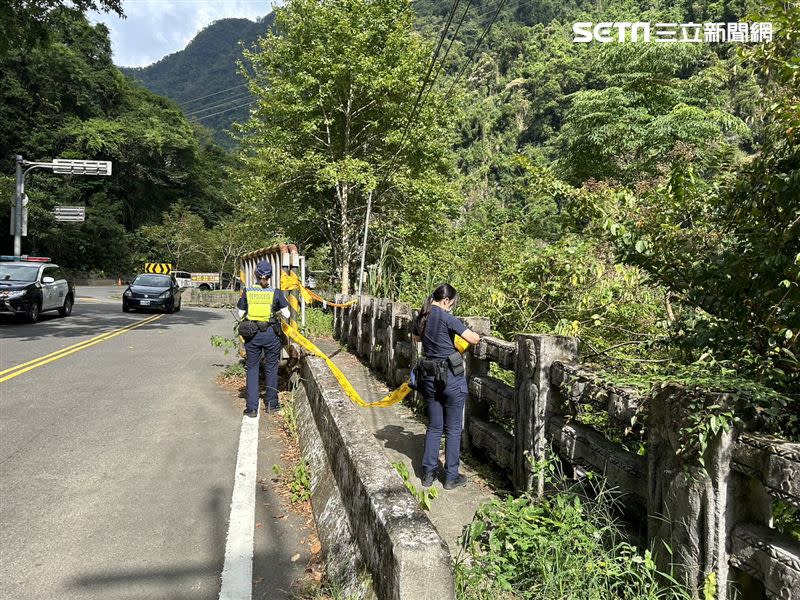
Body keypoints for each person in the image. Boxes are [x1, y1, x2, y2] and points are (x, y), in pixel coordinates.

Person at [412, 283, 481, 489]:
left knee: (434, 426)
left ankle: (428, 474)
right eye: (452, 304)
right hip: (451, 377)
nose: (452, 307)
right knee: (452, 429)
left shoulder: (422, 316)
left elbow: (416, 338)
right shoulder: (446, 317)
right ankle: (451, 477)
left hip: (429, 378)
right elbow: (473, 338)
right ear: (446, 301)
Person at [237, 260, 291, 418]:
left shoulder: (248, 291)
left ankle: (252, 408)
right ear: (270, 276)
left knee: (252, 369)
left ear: (255, 274)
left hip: (252, 335)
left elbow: (241, 314)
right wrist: (276, 313)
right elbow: (287, 314)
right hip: (270, 334)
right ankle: (272, 404)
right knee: (271, 368)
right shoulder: (276, 292)